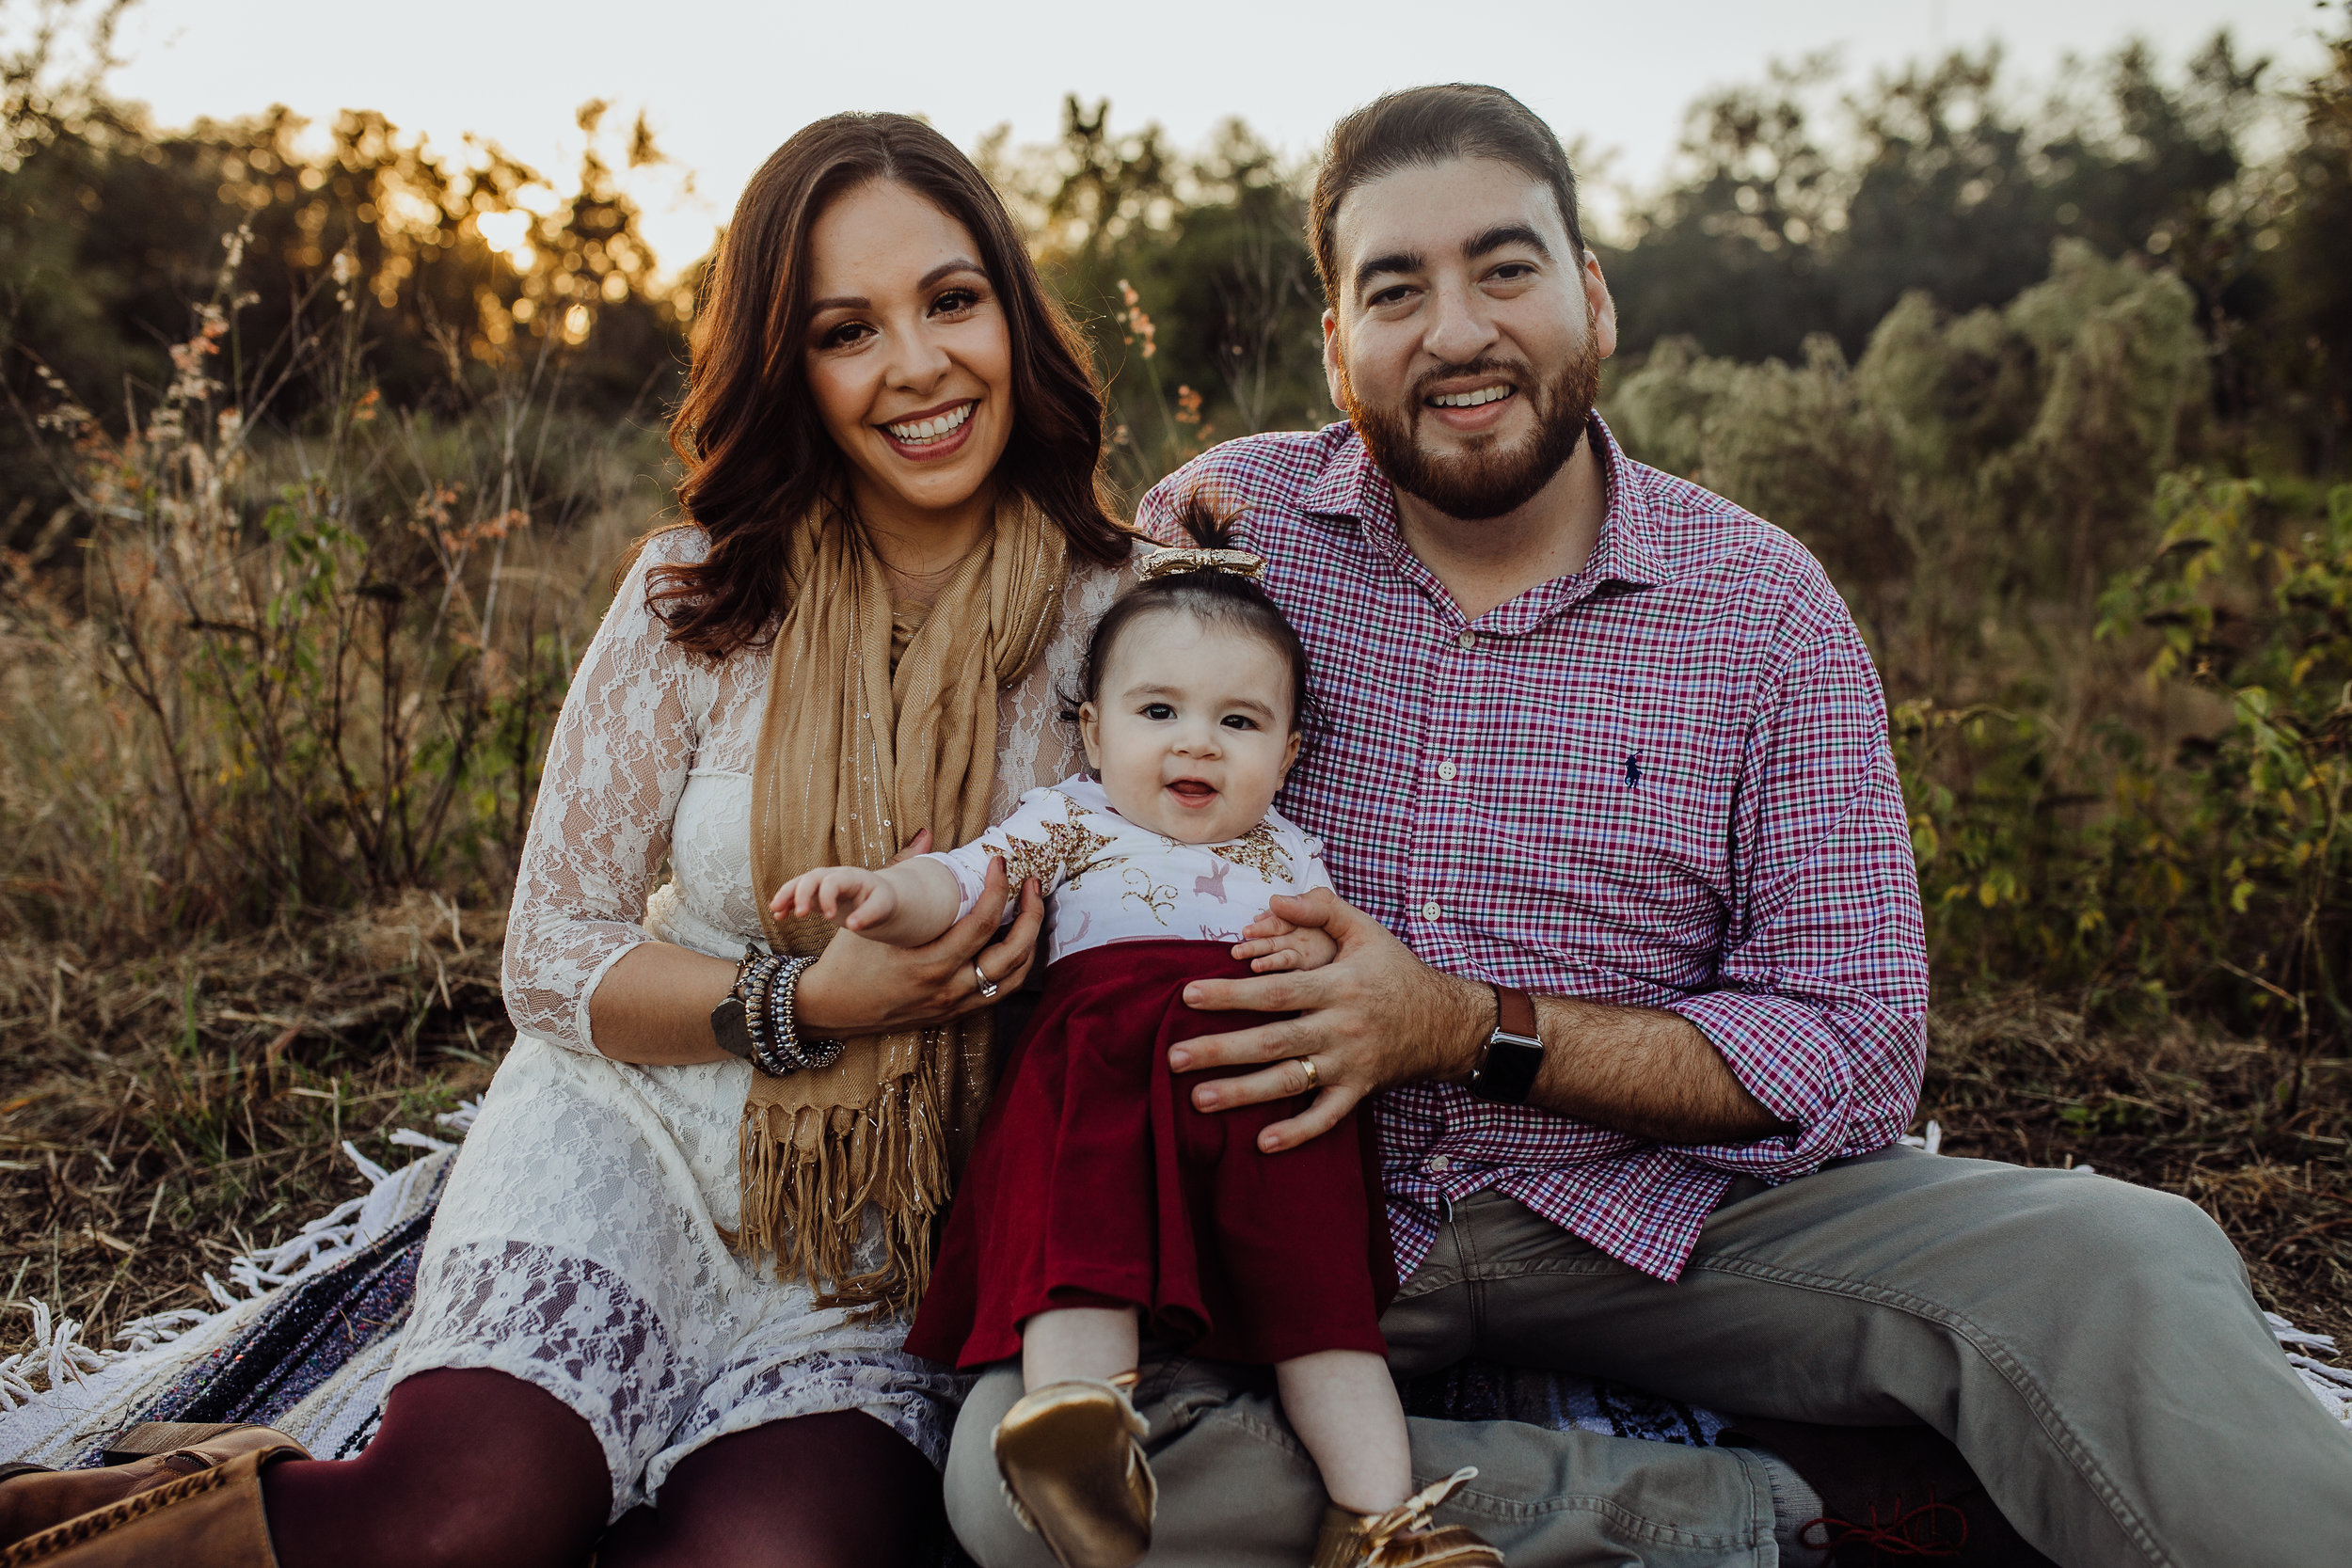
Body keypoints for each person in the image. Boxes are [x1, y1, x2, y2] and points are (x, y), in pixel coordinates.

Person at [943, 84, 2352, 1568]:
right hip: (1285, 1197)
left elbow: (1858, 1042)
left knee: (2121, 1260)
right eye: (1395, 289)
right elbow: (1073, 794)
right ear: (1336, 347)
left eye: (1506, 267)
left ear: (1591, 299)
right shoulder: (1229, 533)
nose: (1458, 330)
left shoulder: (1763, 609)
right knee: (1019, 1489)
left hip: (1669, 1216)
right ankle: (1766, 1513)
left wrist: (1465, 1023)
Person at [0, 113, 1135, 1568]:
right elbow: (552, 955)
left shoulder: (1130, 619)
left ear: (1014, 314)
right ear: (791, 366)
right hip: (636, 1130)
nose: (917, 366)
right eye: (849, 329)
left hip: (889, 1228)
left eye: (952, 300)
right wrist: (808, 1001)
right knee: (459, 1522)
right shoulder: (697, 596)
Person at [778, 508, 1502, 1568]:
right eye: (1158, 709)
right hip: (1101, 1089)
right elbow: (959, 878)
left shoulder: (1292, 852)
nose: (1196, 740)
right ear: (1093, 730)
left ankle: (1381, 1523)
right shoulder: (1068, 820)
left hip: (1265, 1107)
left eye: (1240, 722)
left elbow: (1353, 967)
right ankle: (1082, 1439)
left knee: (1325, 1316)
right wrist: (884, 893)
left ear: (1290, 751)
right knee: (1083, 1260)